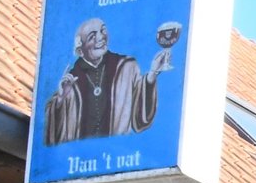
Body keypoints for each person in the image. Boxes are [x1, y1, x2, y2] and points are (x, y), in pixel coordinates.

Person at [42, 17, 173, 144]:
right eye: (92, 36)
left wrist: (152, 74)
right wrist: (60, 99)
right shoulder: (70, 81)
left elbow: (140, 119)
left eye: (103, 31)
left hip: (118, 156)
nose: (101, 37)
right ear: (80, 51)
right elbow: (52, 136)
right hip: (80, 161)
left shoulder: (127, 66)